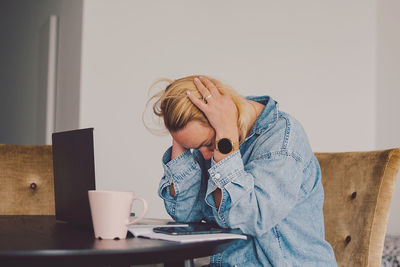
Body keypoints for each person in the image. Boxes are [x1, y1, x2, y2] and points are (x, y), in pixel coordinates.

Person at [146, 75, 337, 266]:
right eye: (196, 148)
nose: (205, 156)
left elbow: (250, 219)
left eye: (208, 144)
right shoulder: (211, 139)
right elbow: (186, 214)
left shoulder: (281, 139)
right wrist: (180, 141)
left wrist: (226, 140)